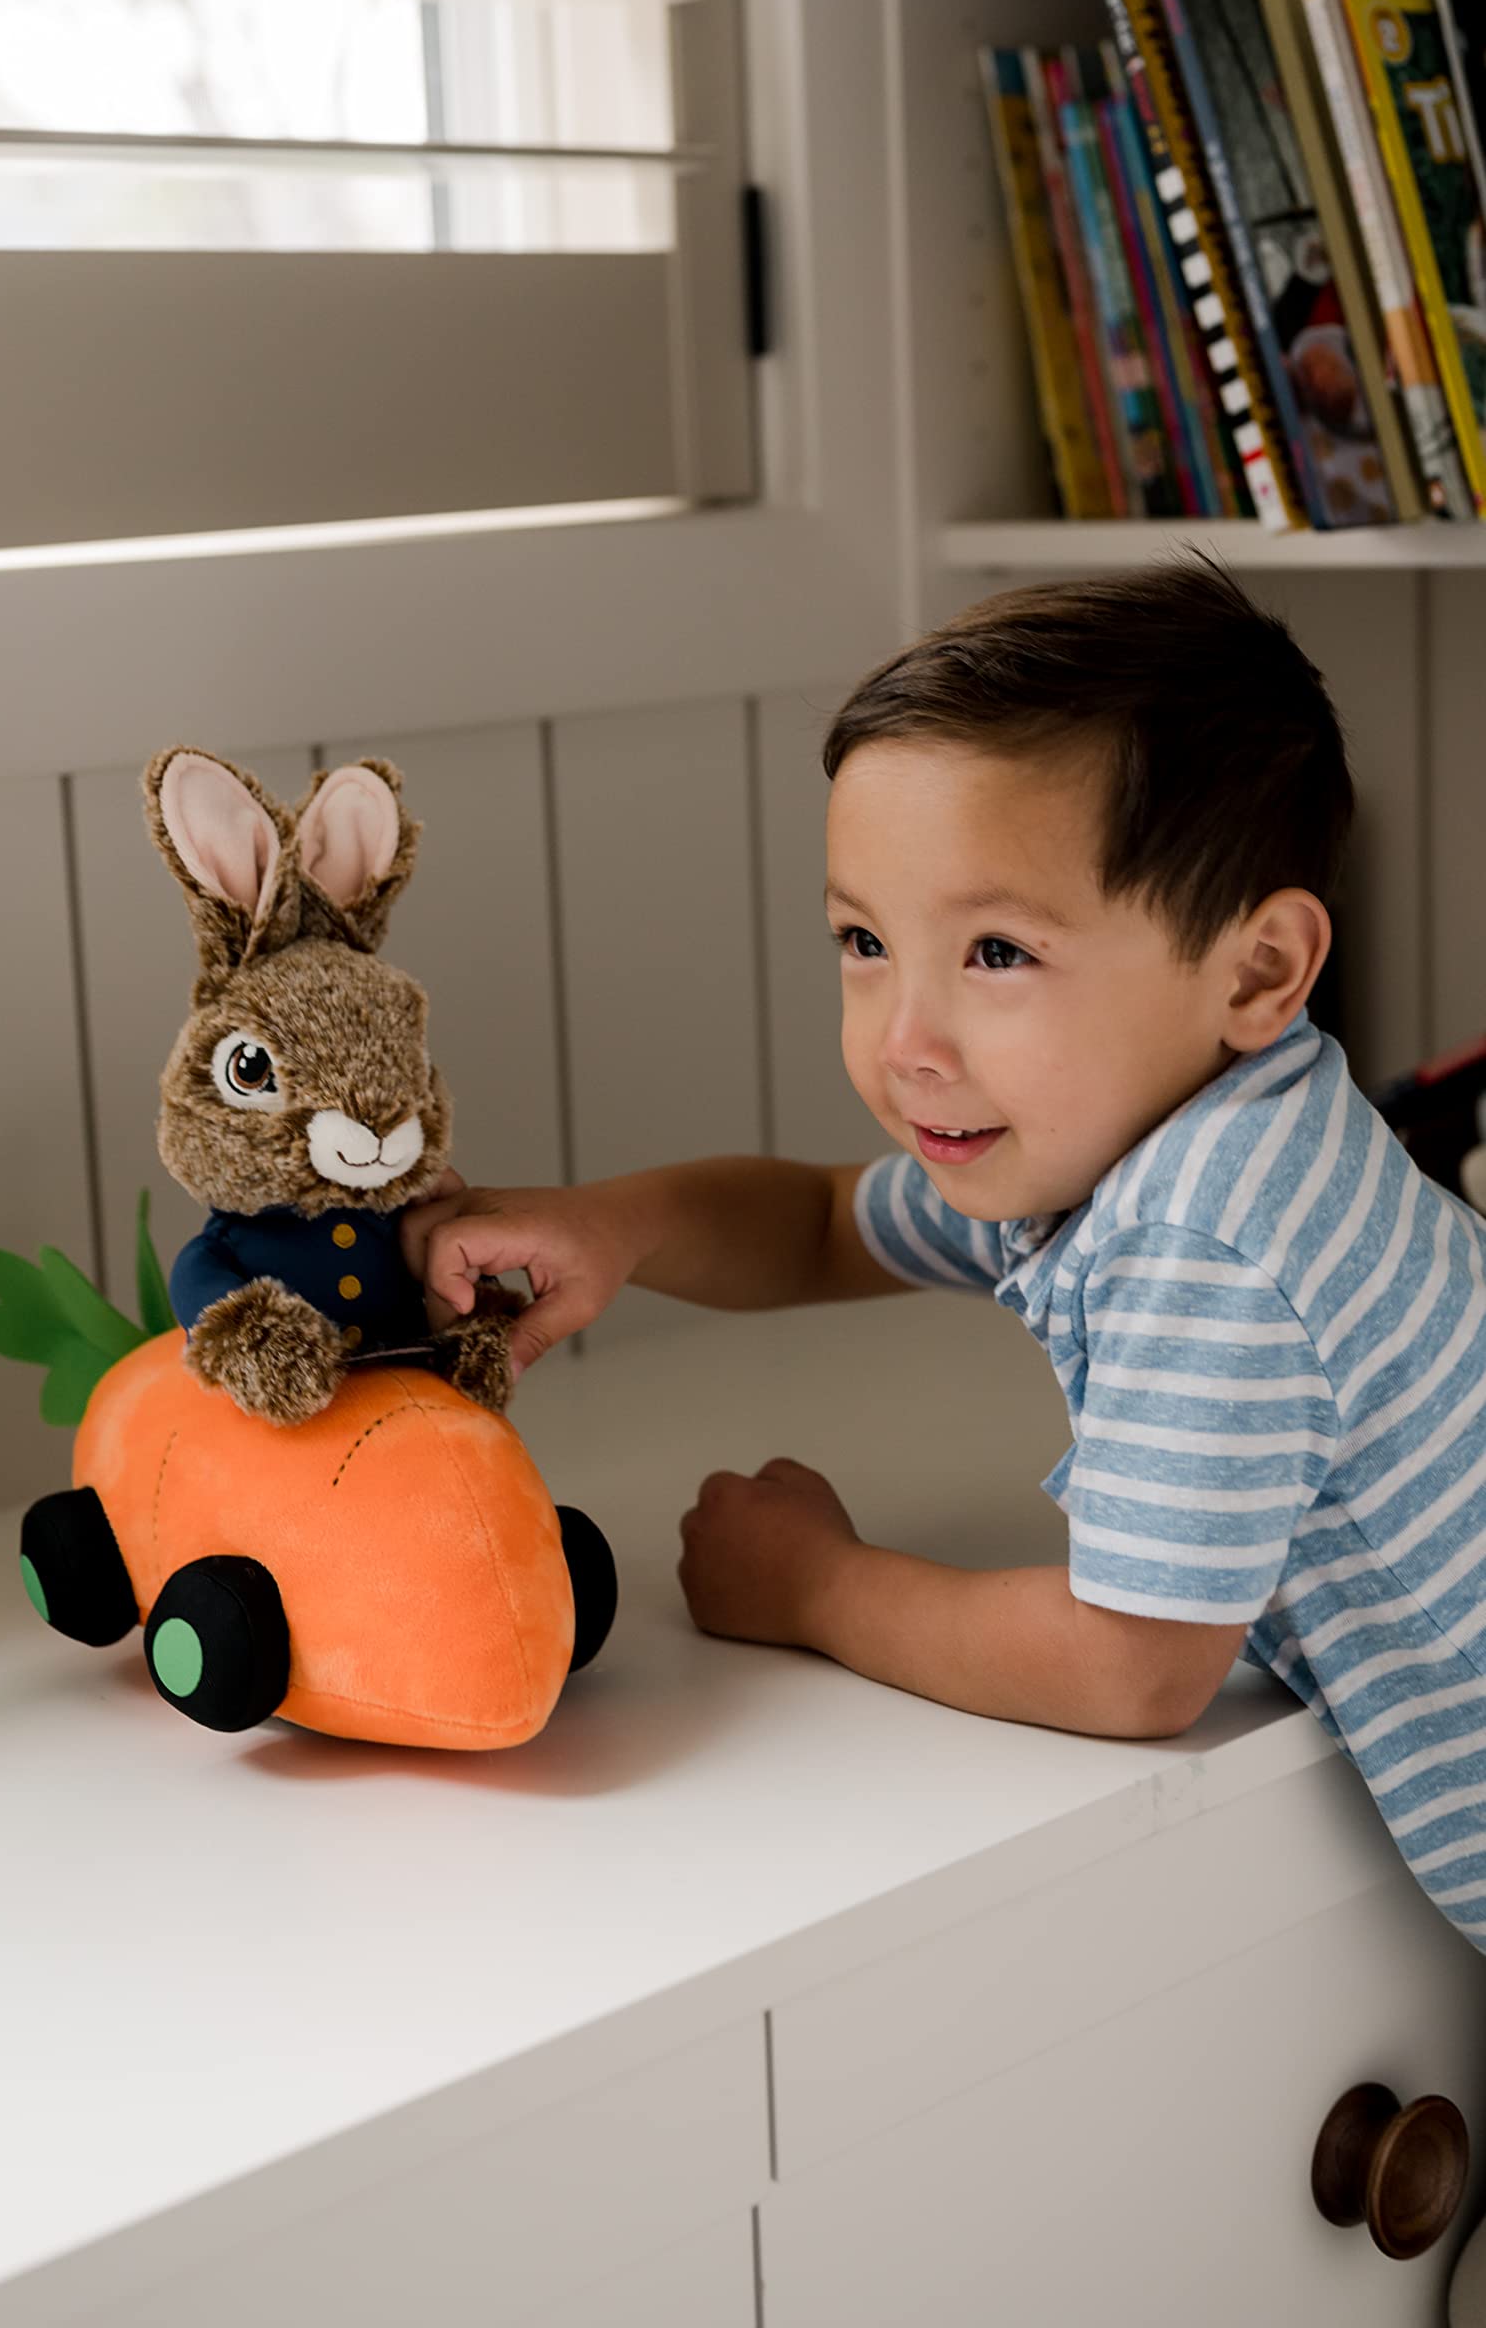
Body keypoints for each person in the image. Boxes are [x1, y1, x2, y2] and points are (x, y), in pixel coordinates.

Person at [401, 560, 1486, 1954]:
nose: (903, 1037)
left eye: (994, 953)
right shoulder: (1181, 1131)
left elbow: (1135, 1665)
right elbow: (821, 1225)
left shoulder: (1206, 1234)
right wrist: (615, 1225)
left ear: (1260, 972)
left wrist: (815, 1584)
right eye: (864, 941)